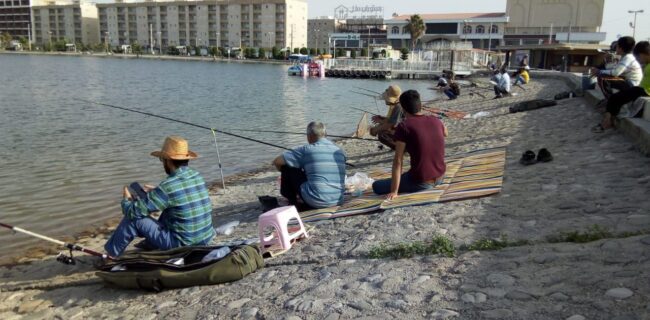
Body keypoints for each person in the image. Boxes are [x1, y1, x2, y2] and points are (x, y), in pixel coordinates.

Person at [104, 136, 215, 257]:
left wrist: (126, 200)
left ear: (168, 161)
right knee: (170, 210)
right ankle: (151, 243)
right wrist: (157, 192)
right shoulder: (197, 176)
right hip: (205, 239)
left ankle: (110, 255)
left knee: (133, 218)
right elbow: (179, 196)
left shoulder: (168, 187)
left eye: (162, 160)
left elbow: (132, 212)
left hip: (182, 245)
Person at [372, 90, 448, 199]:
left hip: (422, 182)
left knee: (376, 186)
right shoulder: (436, 120)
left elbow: (398, 161)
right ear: (420, 105)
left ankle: (401, 185)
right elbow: (446, 133)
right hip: (441, 176)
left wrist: (394, 191)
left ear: (403, 108)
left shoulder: (404, 126)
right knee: (407, 175)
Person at [272, 122, 347, 211]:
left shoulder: (306, 150)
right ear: (325, 134)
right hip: (338, 199)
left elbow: (277, 162)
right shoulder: (339, 151)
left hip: (316, 200)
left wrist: (287, 176)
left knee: (287, 167)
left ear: (309, 136)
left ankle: (292, 201)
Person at [594, 41, 650, 132]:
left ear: (643, 54)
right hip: (640, 88)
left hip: (643, 90)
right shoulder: (646, 64)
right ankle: (607, 120)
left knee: (616, 98)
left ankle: (606, 122)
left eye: (638, 57)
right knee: (615, 98)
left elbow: (616, 72)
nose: (638, 60)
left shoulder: (631, 59)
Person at [369, 85, 403, 150]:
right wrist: (381, 118)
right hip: (400, 130)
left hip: (404, 133)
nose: (385, 100)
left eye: (386, 98)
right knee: (381, 127)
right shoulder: (394, 105)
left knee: (382, 134)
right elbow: (392, 120)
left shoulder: (398, 106)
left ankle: (399, 148)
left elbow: (391, 124)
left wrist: (375, 130)